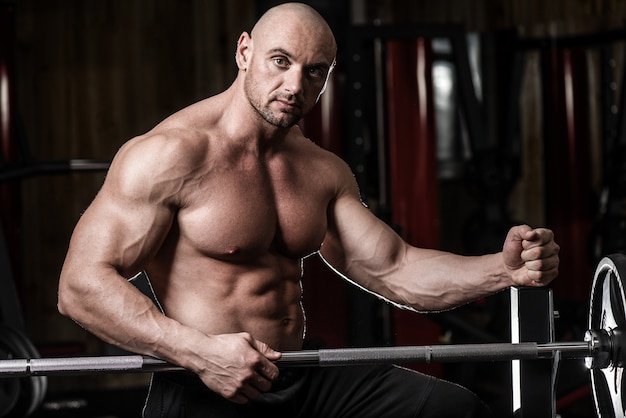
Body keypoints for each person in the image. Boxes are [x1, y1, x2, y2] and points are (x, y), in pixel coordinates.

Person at [57, 2, 560, 417]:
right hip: (205, 384)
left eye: (314, 71)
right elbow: (80, 285)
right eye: (281, 61)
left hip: (303, 375)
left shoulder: (321, 171)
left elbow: (395, 268)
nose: (296, 85)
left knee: (451, 411)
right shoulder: (170, 155)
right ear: (244, 51)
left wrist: (502, 270)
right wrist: (199, 353)